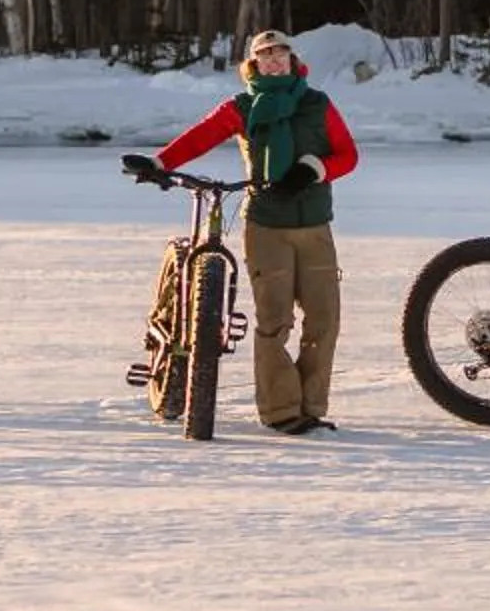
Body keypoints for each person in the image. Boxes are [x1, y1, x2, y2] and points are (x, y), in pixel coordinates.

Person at [152, 27, 359, 435]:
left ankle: (312, 408)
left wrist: (315, 169)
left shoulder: (317, 104)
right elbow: (202, 135)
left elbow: (348, 155)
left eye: (282, 54)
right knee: (275, 322)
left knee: (324, 320)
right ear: (253, 65)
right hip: (266, 226)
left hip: (315, 225)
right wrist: (161, 163)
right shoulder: (244, 106)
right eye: (266, 55)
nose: (275, 60)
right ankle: (283, 412)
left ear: (294, 61)